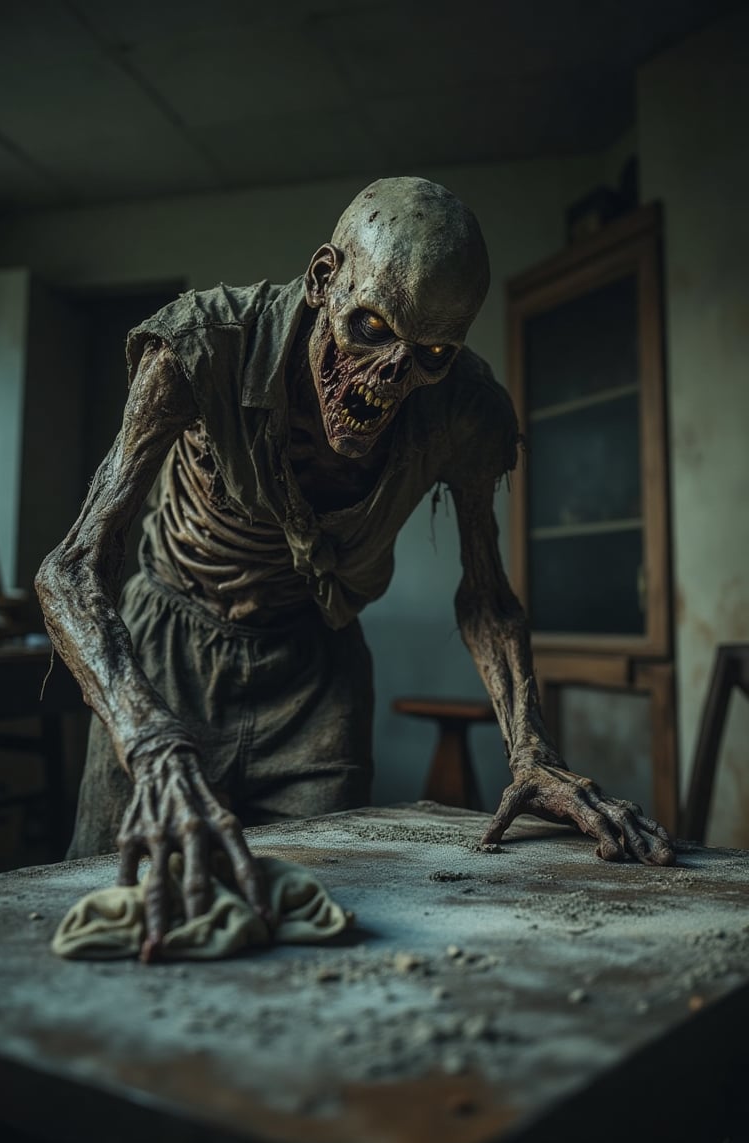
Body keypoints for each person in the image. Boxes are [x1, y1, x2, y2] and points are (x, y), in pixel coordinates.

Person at [36, 176, 675, 961]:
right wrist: (151, 742)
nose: (387, 379)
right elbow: (69, 568)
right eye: (370, 326)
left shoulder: (465, 408)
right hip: (164, 653)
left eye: (429, 354)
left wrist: (532, 751)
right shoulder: (202, 344)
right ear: (323, 279)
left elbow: (485, 596)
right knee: (113, 902)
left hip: (316, 673)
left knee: (329, 922)